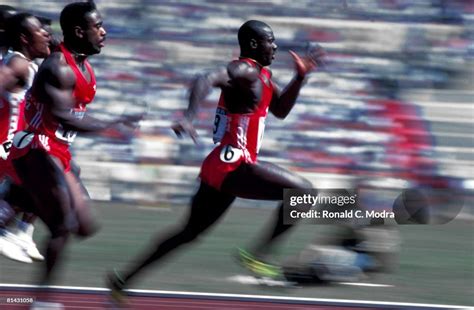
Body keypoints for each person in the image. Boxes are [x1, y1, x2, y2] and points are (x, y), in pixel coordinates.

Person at [108, 20, 325, 299]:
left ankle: (122, 281)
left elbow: (281, 111)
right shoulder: (244, 69)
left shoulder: (264, 77)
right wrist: (189, 116)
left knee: (188, 232)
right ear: (254, 44)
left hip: (219, 165)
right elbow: (205, 78)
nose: (275, 47)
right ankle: (258, 256)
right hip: (235, 163)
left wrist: (300, 78)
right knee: (304, 192)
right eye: (271, 41)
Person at [9, 2, 137, 295]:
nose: (104, 32)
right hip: (36, 147)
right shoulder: (59, 67)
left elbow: (56, 36)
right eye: (98, 26)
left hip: (59, 151)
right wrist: (111, 124)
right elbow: (64, 115)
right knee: (62, 225)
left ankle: (16, 199)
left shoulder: (82, 65)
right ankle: (41, 299)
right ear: (80, 32)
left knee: (84, 225)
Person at [0, 12, 51, 263]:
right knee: (48, 174)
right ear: (24, 38)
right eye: (42, 31)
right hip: (5, 145)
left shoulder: (33, 65)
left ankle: (21, 232)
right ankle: (9, 231)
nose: (48, 36)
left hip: (16, 142)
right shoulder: (17, 64)